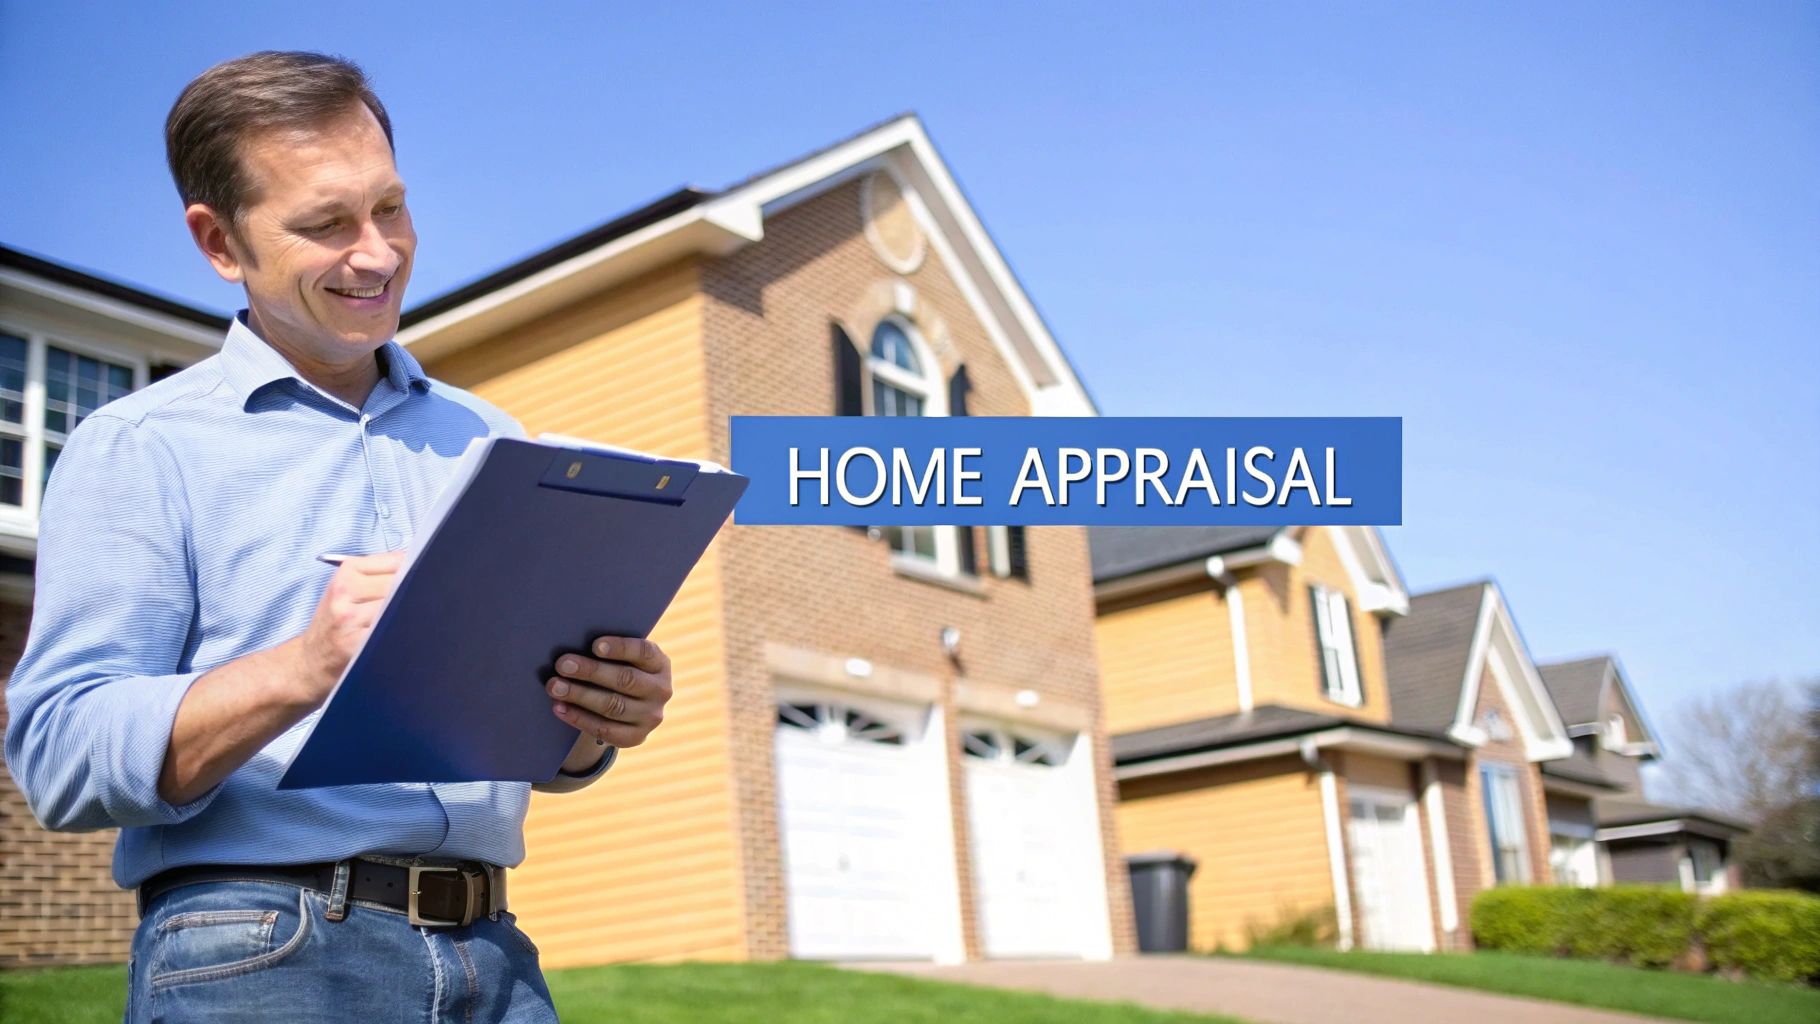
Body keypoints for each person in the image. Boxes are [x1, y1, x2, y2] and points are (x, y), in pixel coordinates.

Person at [2, 51, 672, 1022]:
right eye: (326, 224)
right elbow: (59, 757)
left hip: (495, 956)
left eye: (390, 208)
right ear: (220, 241)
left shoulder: (494, 441)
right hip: (262, 953)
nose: (379, 253)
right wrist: (301, 667)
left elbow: (522, 730)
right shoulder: (142, 446)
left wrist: (590, 714)